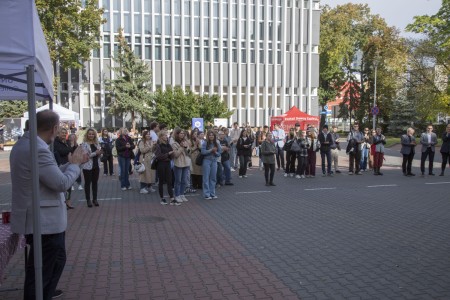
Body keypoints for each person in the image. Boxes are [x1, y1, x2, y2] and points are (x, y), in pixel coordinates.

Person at [10, 110, 88, 299]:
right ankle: (41, 294)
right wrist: (75, 165)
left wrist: (69, 165)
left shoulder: (26, 144)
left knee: (52, 261)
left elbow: (49, 175)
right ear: (54, 128)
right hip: (44, 221)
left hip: (39, 218)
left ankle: (44, 292)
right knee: (45, 267)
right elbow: (61, 183)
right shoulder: (37, 149)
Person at [53, 128, 75, 209]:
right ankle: (62, 202)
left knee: (69, 185)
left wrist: (74, 145)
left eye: (65, 133)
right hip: (60, 165)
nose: (63, 134)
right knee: (62, 184)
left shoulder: (67, 142)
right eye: (62, 133)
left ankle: (68, 202)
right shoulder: (56, 143)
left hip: (68, 164)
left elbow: (72, 151)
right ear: (58, 133)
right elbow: (63, 151)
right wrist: (71, 147)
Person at [80, 128, 103, 207]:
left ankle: (95, 199)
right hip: (87, 166)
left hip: (96, 165)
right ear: (87, 135)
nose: (91, 135)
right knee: (87, 183)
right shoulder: (84, 144)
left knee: (95, 183)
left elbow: (99, 154)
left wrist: (100, 153)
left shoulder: (97, 143)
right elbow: (86, 156)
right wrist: (95, 153)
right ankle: (88, 200)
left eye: (92, 134)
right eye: (89, 134)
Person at [154, 130, 176, 205]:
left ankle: (172, 198)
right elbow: (159, 156)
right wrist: (168, 154)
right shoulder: (158, 145)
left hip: (167, 163)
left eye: (166, 135)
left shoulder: (168, 145)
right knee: (161, 181)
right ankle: (162, 198)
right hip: (161, 164)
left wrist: (172, 153)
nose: (166, 137)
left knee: (169, 181)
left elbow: (172, 155)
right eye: (165, 135)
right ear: (161, 137)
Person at [201, 130, 222, 200]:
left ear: (214, 136)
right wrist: (210, 150)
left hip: (214, 161)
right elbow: (203, 152)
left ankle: (212, 193)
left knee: (213, 178)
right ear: (208, 136)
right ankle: (207, 194)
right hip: (206, 160)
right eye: (210, 135)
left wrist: (215, 152)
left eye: (212, 135)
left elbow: (219, 153)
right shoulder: (205, 143)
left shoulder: (217, 143)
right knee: (206, 177)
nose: (211, 136)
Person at [172, 128, 191, 203]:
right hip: (178, 164)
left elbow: (189, 153)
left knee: (184, 180)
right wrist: (181, 147)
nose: (182, 135)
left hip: (186, 163)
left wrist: (186, 148)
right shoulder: (174, 143)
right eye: (180, 133)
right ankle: (177, 195)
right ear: (177, 134)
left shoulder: (186, 142)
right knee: (178, 180)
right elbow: (176, 155)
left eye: (183, 133)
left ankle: (182, 194)